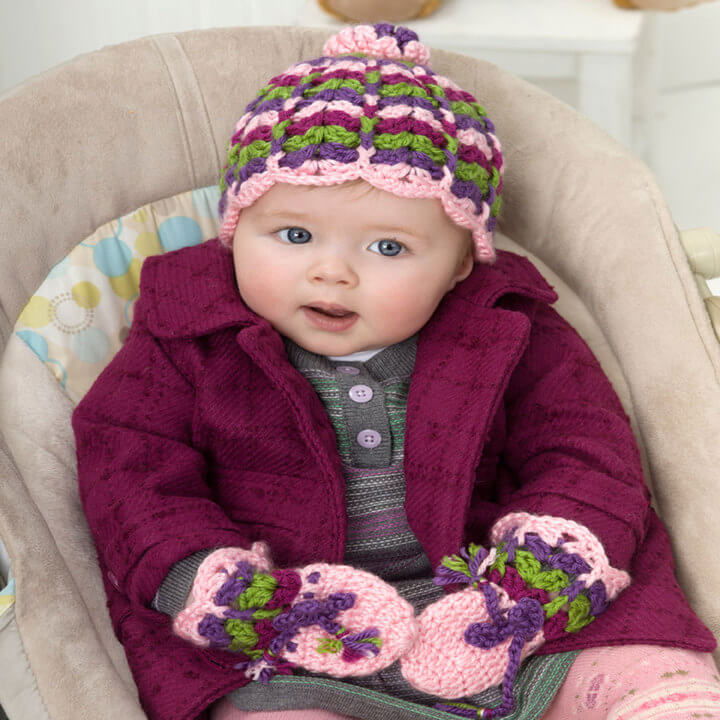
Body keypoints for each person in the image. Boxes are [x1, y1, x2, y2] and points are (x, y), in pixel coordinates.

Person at [72, 22, 720, 720]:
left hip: (506, 617)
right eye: (293, 236)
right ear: (235, 227)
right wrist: (230, 592)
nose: (331, 270)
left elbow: (588, 453)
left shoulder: (513, 326)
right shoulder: (185, 331)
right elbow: (129, 474)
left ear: (462, 265)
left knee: (643, 668)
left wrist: (530, 588)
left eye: (388, 246)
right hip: (284, 640)